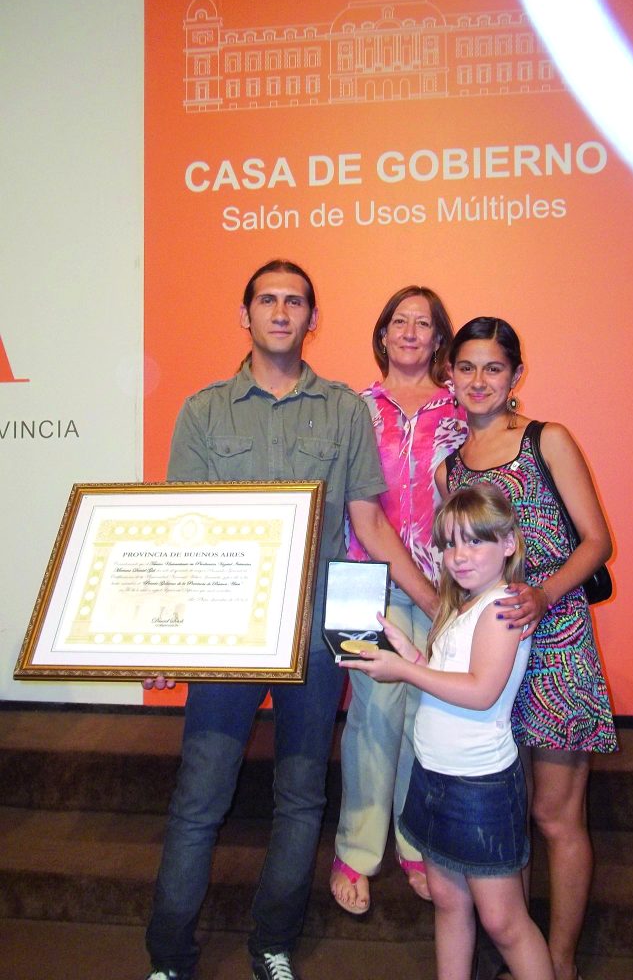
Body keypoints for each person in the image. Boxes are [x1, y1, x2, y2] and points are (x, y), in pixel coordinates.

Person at [143, 260, 439, 980]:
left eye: (295, 302)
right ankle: (169, 959)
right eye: (268, 300)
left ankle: (272, 945)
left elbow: (367, 520)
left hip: (316, 632)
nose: (281, 311)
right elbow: (179, 528)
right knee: (199, 799)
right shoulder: (203, 411)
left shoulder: (343, 410)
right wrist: (164, 632)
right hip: (224, 637)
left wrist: (437, 604)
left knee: (302, 797)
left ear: (313, 319)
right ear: (245, 315)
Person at [436, 317, 617, 980]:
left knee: (554, 812)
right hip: (489, 659)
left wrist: (542, 595)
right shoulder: (448, 468)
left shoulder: (549, 441)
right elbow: (458, 573)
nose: (479, 380)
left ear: (515, 376)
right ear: (449, 375)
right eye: (466, 367)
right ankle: (519, 943)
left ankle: (559, 963)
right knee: (503, 804)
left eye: (493, 368)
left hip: (557, 646)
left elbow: (596, 540)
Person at [343, 485, 555, 980]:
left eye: (475, 542)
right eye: (449, 544)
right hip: (434, 775)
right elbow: (448, 678)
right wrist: (409, 655)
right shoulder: (462, 606)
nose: (459, 557)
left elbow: (481, 691)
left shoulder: (503, 607)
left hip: (479, 786)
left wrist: (405, 671)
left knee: (504, 922)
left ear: (508, 544)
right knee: (448, 902)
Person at [330, 285, 467, 915]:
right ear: (382, 334)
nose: (411, 332)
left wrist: (453, 595)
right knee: (370, 716)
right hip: (364, 583)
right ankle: (357, 850)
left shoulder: (462, 409)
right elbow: (355, 513)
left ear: (440, 339)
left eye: (425, 323)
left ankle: (416, 845)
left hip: (449, 585)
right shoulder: (352, 409)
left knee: (425, 716)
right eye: (399, 322)